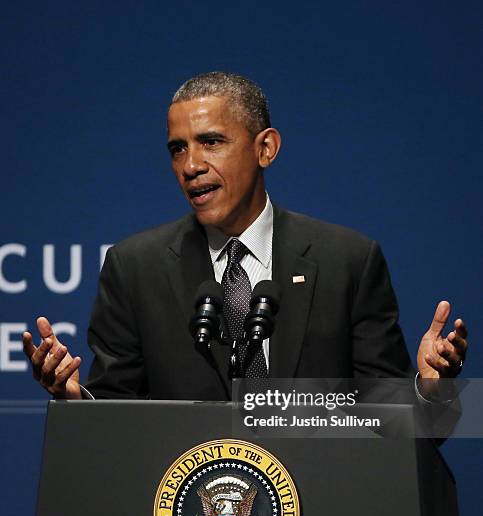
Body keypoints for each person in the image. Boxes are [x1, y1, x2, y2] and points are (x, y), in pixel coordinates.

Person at [22, 72, 468, 401]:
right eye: (178, 148)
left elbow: (386, 418)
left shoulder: (347, 260)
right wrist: (73, 397)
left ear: (265, 149)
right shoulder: (135, 267)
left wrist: (427, 390)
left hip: (324, 510)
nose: (190, 165)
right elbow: (117, 412)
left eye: (211, 142)